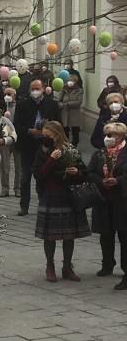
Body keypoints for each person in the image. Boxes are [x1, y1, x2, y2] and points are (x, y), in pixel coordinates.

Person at [34, 121, 89, 282]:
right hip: (50, 195)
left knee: (69, 235)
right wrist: (51, 159)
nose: (45, 138)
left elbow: (83, 173)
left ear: (57, 134)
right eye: (44, 135)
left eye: (48, 135)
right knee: (50, 236)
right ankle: (50, 266)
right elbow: (39, 174)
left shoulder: (69, 149)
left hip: (67, 195)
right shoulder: (43, 150)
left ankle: (67, 267)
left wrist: (76, 172)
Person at [88, 122, 127, 289]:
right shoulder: (100, 153)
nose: (107, 138)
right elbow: (90, 172)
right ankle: (107, 263)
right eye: (106, 135)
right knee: (105, 233)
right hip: (103, 199)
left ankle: (126, 270)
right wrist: (101, 181)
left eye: (111, 135)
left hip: (122, 200)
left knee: (124, 235)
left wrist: (117, 180)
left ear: (121, 136)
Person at [14, 79, 60, 215]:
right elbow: (17, 125)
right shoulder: (23, 104)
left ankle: (44, 204)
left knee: (44, 175)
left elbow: (59, 124)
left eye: (37, 88)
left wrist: (49, 133)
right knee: (25, 177)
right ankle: (24, 206)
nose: (35, 91)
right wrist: (29, 131)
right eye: (32, 89)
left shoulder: (52, 104)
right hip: (27, 145)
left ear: (43, 88)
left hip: (46, 147)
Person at [58, 74, 84, 146]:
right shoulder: (64, 89)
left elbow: (79, 102)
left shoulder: (79, 90)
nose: (70, 82)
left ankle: (74, 145)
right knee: (65, 130)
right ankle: (66, 144)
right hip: (64, 113)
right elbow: (59, 99)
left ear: (75, 82)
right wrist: (60, 104)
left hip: (74, 113)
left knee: (75, 131)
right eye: (69, 80)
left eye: (72, 80)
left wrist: (67, 104)